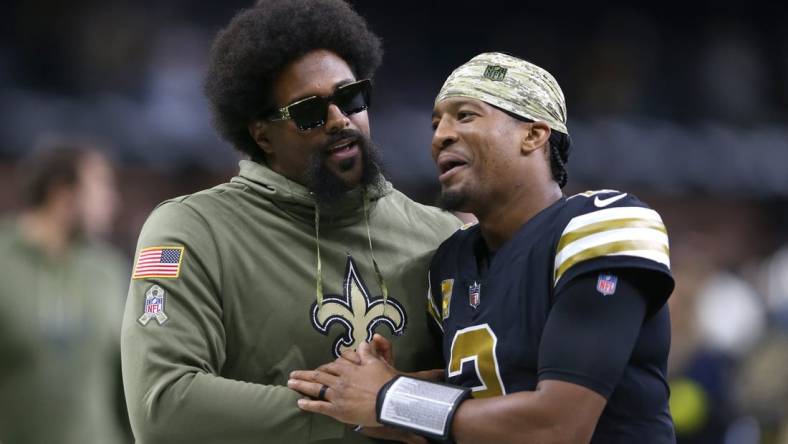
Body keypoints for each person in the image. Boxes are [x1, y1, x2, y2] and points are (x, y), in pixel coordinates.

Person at [288, 52, 676, 443]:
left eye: (466, 115)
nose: (440, 137)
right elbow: (480, 398)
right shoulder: (450, 261)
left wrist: (392, 397)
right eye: (437, 123)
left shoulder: (602, 223)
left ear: (534, 135)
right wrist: (377, 387)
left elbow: (558, 426)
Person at [119, 1, 460, 443]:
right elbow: (161, 406)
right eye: (308, 113)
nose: (340, 120)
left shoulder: (443, 235)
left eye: (350, 97)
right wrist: (361, 407)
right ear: (262, 135)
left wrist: (392, 402)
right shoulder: (192, 231)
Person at [0, 138, 128, 444]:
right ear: (63, 192)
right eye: (101, 187)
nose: (112, 202)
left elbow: (126, 380)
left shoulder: (109, 270)